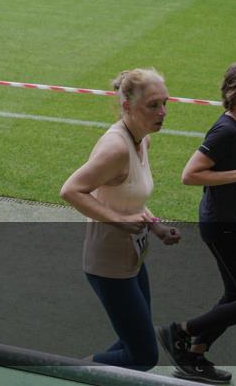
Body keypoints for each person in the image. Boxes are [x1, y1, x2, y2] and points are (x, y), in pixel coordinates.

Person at [158, 61, 236, 384]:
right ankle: (180, 332)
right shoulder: (225, 130)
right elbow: (190, 175)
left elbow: (223, 169)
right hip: (222, 227)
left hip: (232, 223)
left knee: (233, 295)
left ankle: (194, 355)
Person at [60, 69, 181, 371]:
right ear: (127, 106)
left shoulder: (142, 141)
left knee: (134, 340)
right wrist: (117, 220)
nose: (163, 112)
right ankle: (73, 372)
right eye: (153, 105)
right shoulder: (116, 148)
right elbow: (71, 190)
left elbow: (131, 200)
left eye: (165, 103)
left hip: (133, 258)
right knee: (143, 355)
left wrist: (156, 227)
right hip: (108, 265)